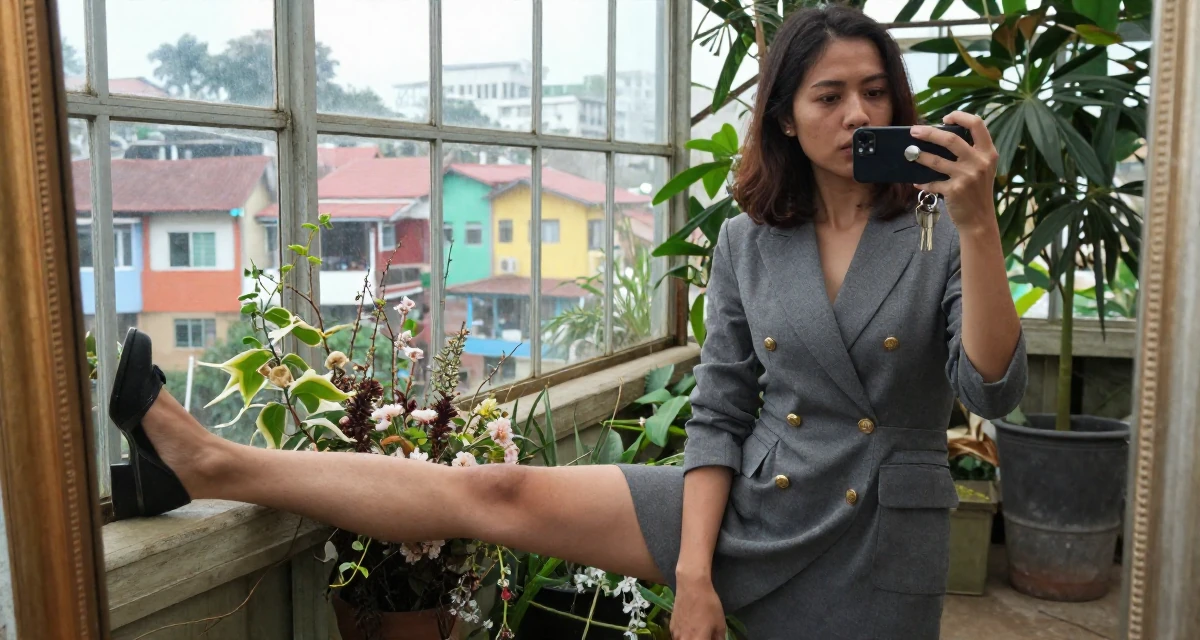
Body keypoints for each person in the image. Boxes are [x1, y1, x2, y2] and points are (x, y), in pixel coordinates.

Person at [106, 6, 1025, 639]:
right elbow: (719, 416)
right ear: (784, 116)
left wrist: (981, 230)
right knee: (495, 492)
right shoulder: (750, 241)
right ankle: (211, 462)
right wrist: (694, 576)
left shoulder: (944, 226)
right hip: (751, 501)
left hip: (875, 537)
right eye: (829, 96)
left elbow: (991, 386)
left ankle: (202, 467)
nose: (858, 113)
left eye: (875, 92)